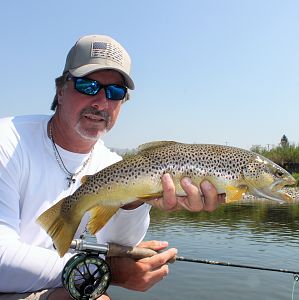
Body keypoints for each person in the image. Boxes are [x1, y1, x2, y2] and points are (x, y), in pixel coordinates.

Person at [0, 34, 225, 300]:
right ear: (60, 90)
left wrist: (135, 202)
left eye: (115, 92)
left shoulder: (114, 166)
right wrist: (110, 273)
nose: (101, 102)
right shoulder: (8, 141)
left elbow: (119, 242)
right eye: (88, 85)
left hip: (53, 286)